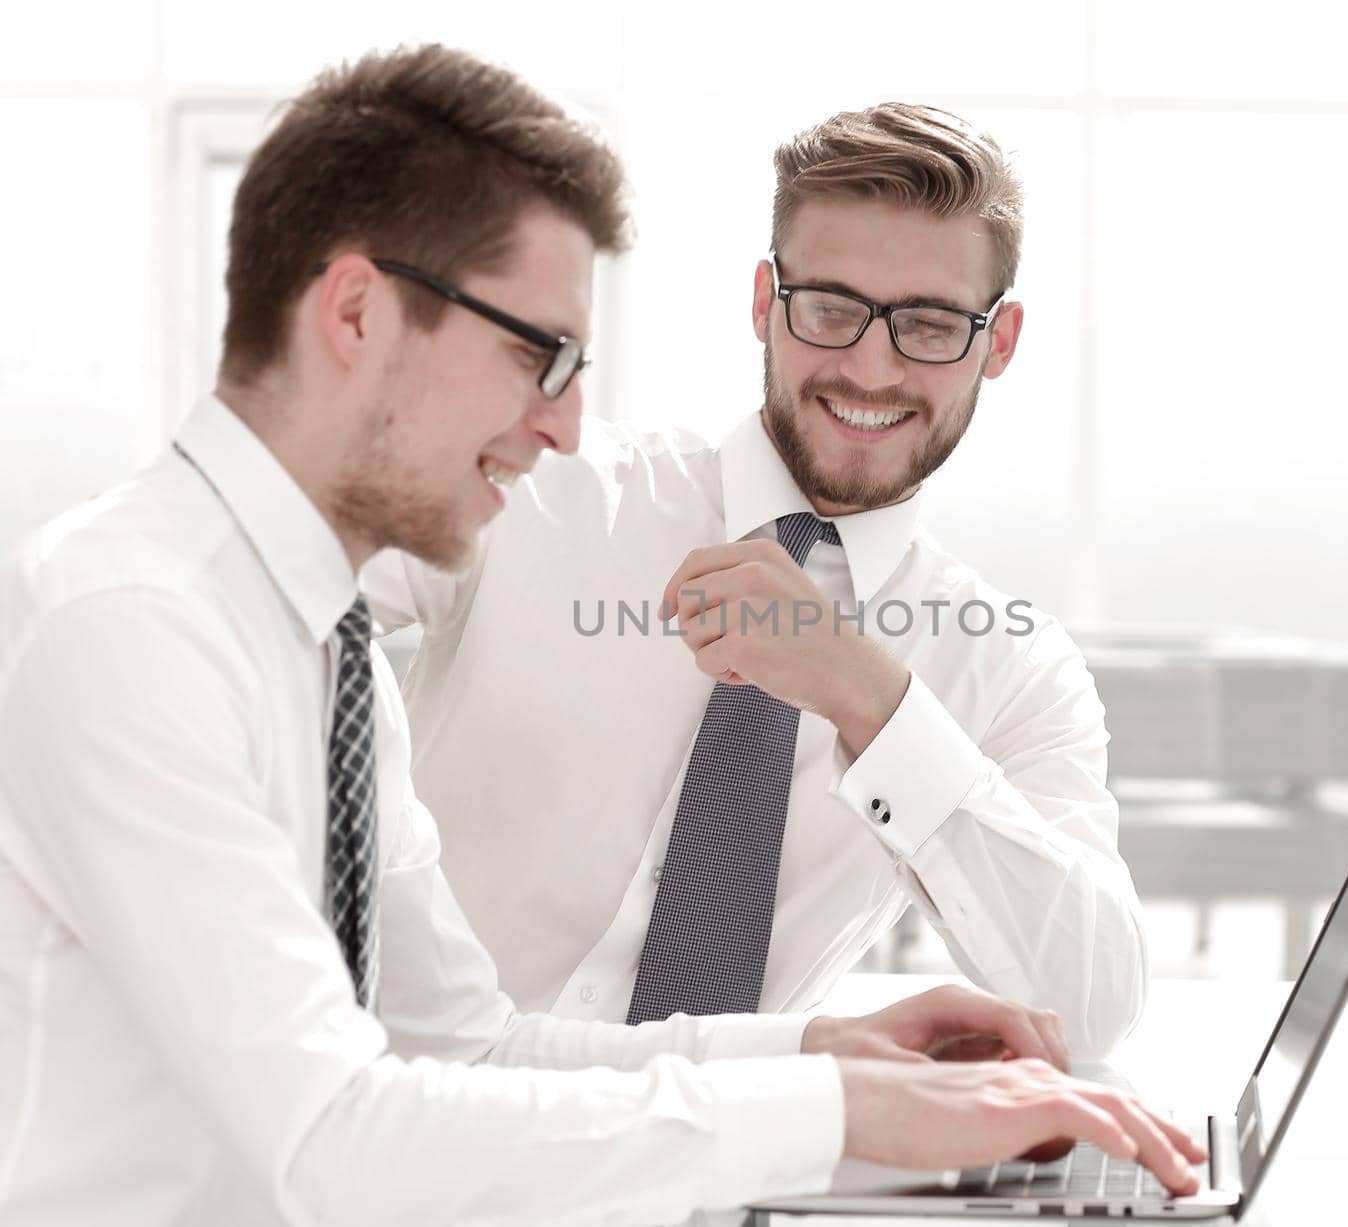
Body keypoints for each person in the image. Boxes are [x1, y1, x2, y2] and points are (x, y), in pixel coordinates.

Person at [0, 46, 1202, 1226]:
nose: (567, 424)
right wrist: (832, 1111)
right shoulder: (148, 621)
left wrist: (828, 1054)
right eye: (539, 356)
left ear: (997, 341)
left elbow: (468, 1053)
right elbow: (341, 1138)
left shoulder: (327, 646)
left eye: (929, 324)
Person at [364, 102, 1146, 1060]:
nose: (871, 366)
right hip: (400, 1133)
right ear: (763, 303)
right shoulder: (537, 489)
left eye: (932, 325)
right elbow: (270, 605)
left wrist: (872, 698)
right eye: (830, 308)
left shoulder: (1007, 666)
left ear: (1000, 341)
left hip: (710, 1183)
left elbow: (1094, 998)